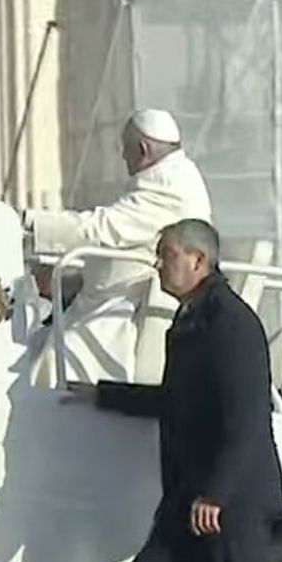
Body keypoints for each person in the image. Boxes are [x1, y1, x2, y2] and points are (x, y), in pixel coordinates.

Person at [67, 218, 282, 562]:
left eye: (166, 254)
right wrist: (105, 397)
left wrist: (216, 494)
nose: (158, 263)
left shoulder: (231, 324)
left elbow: (247, 421)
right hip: (192, 492)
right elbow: (175, 401)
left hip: (230, 495)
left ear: (198, 261)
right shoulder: (189, 321)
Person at [21, 110, 212, 383]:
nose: (123, 157)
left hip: (125, 305)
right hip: (111, 296)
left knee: (56, 359)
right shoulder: (170, 175)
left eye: (126, 149)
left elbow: (102, 228)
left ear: (143, 149)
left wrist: (30, 221)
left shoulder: (169, 186)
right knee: (37, 346)